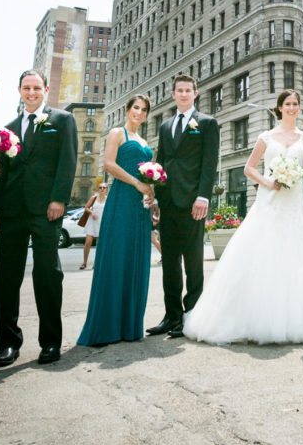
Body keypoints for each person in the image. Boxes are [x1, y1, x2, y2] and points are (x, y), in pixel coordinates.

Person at [183, 90, 303, 344]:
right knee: (262, 255)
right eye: (287, 104)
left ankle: (298, 319)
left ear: (299, 108)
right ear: (279, 108)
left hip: (297, 203)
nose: (292, 108)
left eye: (296, 104)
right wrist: (268, 181)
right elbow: (248, 168)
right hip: (270, 201)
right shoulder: (266, 136)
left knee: (301, 258)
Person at [0, 69, 77, 367]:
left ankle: (50, 342)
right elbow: (2, 173)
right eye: (26, 88)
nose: (31, 92)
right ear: (19, 90)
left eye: (36, 88)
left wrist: (59, 199)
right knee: (5, 277)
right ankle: (8, 344)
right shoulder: (8, 128)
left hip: (45, 210)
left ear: (45, 89)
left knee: (47, 274)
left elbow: (68, 161)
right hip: (12, 211)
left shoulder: (62, 120)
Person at [147, 74, 220, 339]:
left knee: (193, 263)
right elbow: (162, 161)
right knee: (169, 263)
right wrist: (156, 197)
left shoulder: (207, 123)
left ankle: (191, 316)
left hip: (192, 202)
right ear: (173, 94)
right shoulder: (166, 126)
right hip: (167, 202)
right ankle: (171, 316)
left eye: (188, 90)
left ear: (195, 93)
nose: (184, 94)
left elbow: (210, 163)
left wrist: (203, 196)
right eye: (179, 90)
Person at [78, 96, 154, 345]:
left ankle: (129, 326)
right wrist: (135, 183)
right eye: (136, 108)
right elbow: (109, 165)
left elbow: (148, 176)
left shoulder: (144, 141)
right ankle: (106, 327)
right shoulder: (117, 133)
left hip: (139, 207)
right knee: (116, 258)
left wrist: (150, 195)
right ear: (127, 110)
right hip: (121, 201)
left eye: (143, 110)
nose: (139, 113)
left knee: (135, 260)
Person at [79, 182, 108, 270]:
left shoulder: (108, 199)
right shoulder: (94, 198)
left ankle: (96, 263)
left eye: (104, 188)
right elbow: (86, 207)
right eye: (100, 187)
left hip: (101, 223)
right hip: (92, 222)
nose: (102, 189)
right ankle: (84, 263)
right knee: (88, 243)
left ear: (106, 190)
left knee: (99, 245)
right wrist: (92, 212)